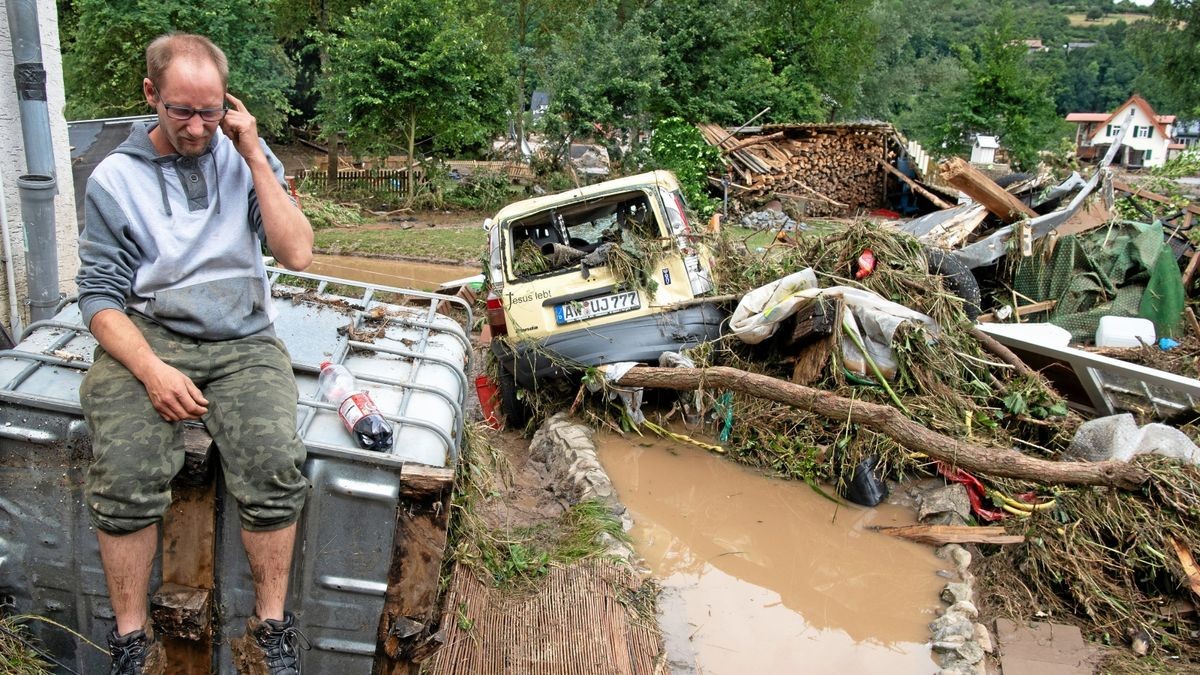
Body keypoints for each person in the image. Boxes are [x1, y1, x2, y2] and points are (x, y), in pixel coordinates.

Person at [76, 32, 314, 675]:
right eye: (182, 110)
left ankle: (269, 633)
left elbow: (296, 253)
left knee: (273, 461)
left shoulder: (245, 156)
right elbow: (98, 299)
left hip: (244, 340)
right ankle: (131, 641)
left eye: (211, 111)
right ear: (151, 93)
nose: (198, 126)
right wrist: (151, 371)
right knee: (125, 469)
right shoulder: (114, 179)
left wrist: (257, 155)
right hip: (151, 334)